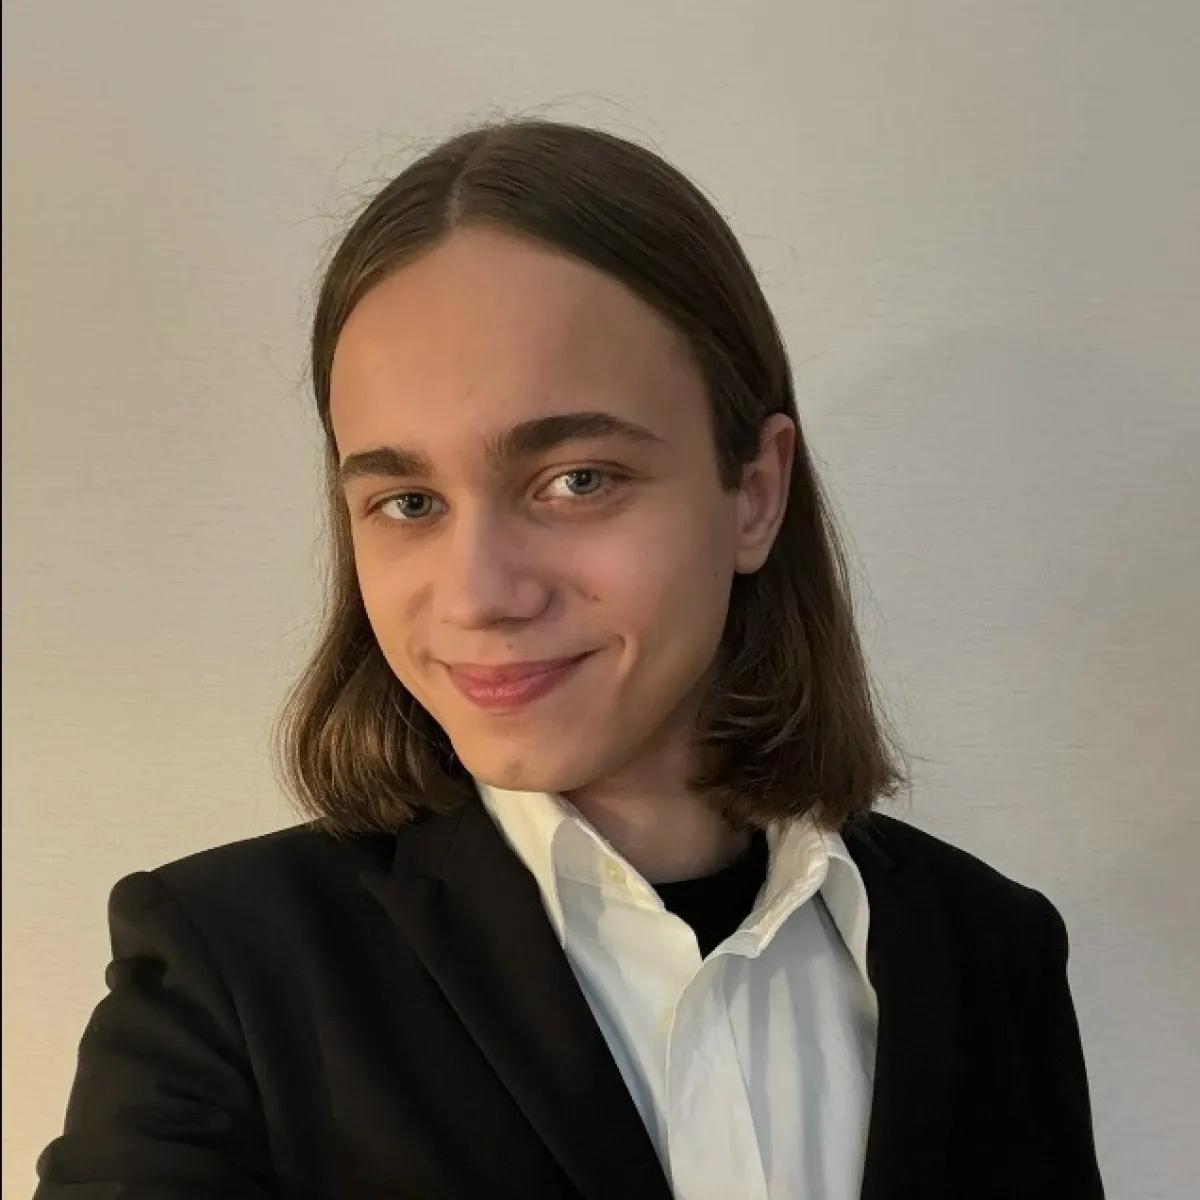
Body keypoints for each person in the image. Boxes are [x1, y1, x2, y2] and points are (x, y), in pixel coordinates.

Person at [34, 119, 1104, 1200]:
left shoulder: (990, 952)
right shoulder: (228, 972)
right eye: (408, 501)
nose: (479, 594)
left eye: (577, 480)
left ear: (754, 492)